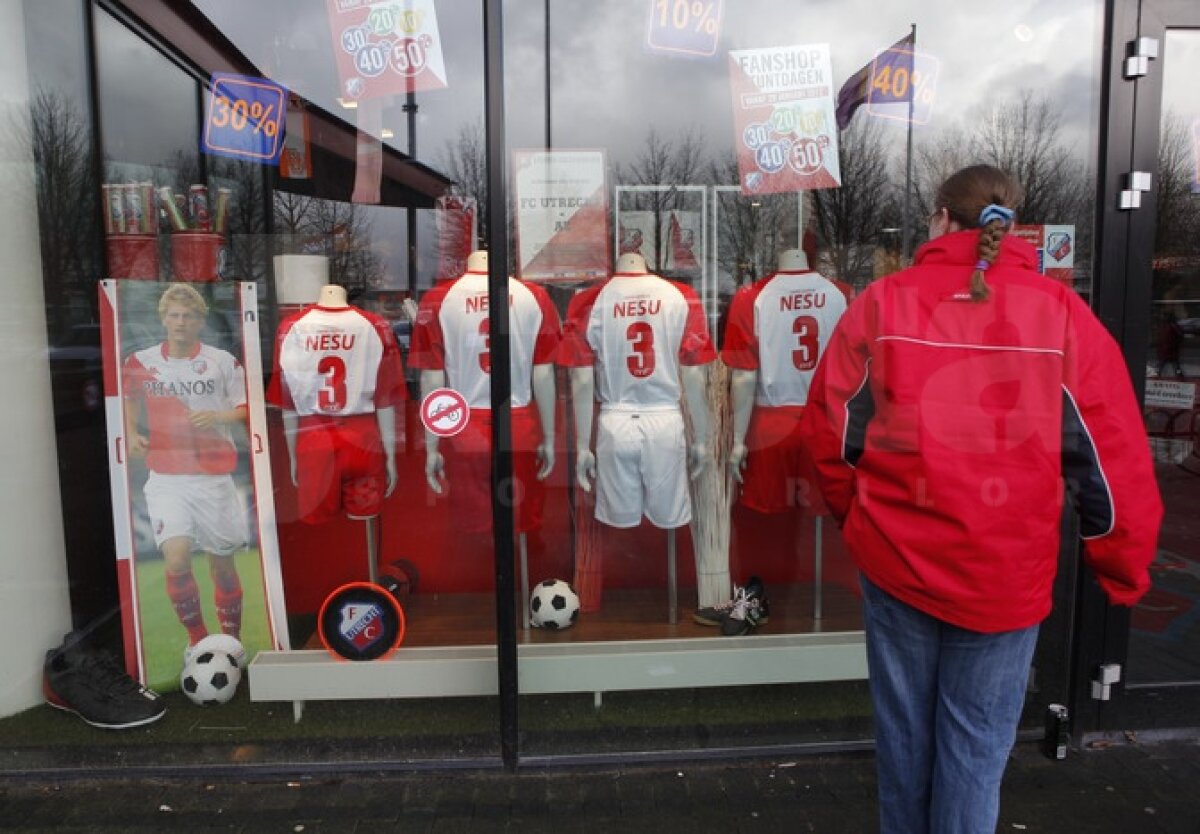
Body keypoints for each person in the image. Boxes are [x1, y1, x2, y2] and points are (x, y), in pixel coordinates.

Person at [800, 165, 1163, 834]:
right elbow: (1109, 454)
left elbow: (830, 436)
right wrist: (1121, 562)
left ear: (940, 218)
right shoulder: (1059, 314)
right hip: (1004, 574)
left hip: (898, 562)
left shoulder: (883, 302)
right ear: (1007, 225)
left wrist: (857, 518)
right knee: (973, 754)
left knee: (905, 744)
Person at [123, 283, 249, 663]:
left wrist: (217, 415)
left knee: (222, 568)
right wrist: (132, 433)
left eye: (188, 316)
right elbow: (129, 398)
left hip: (213, 475)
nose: (180, 322)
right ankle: (198, 641)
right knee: (176, 560)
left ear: (199, 321)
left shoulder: (222, 361)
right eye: (173, 315)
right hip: (166, 476)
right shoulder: (140, 362)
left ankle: (231, 645)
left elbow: (245, 407)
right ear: (163, 319)